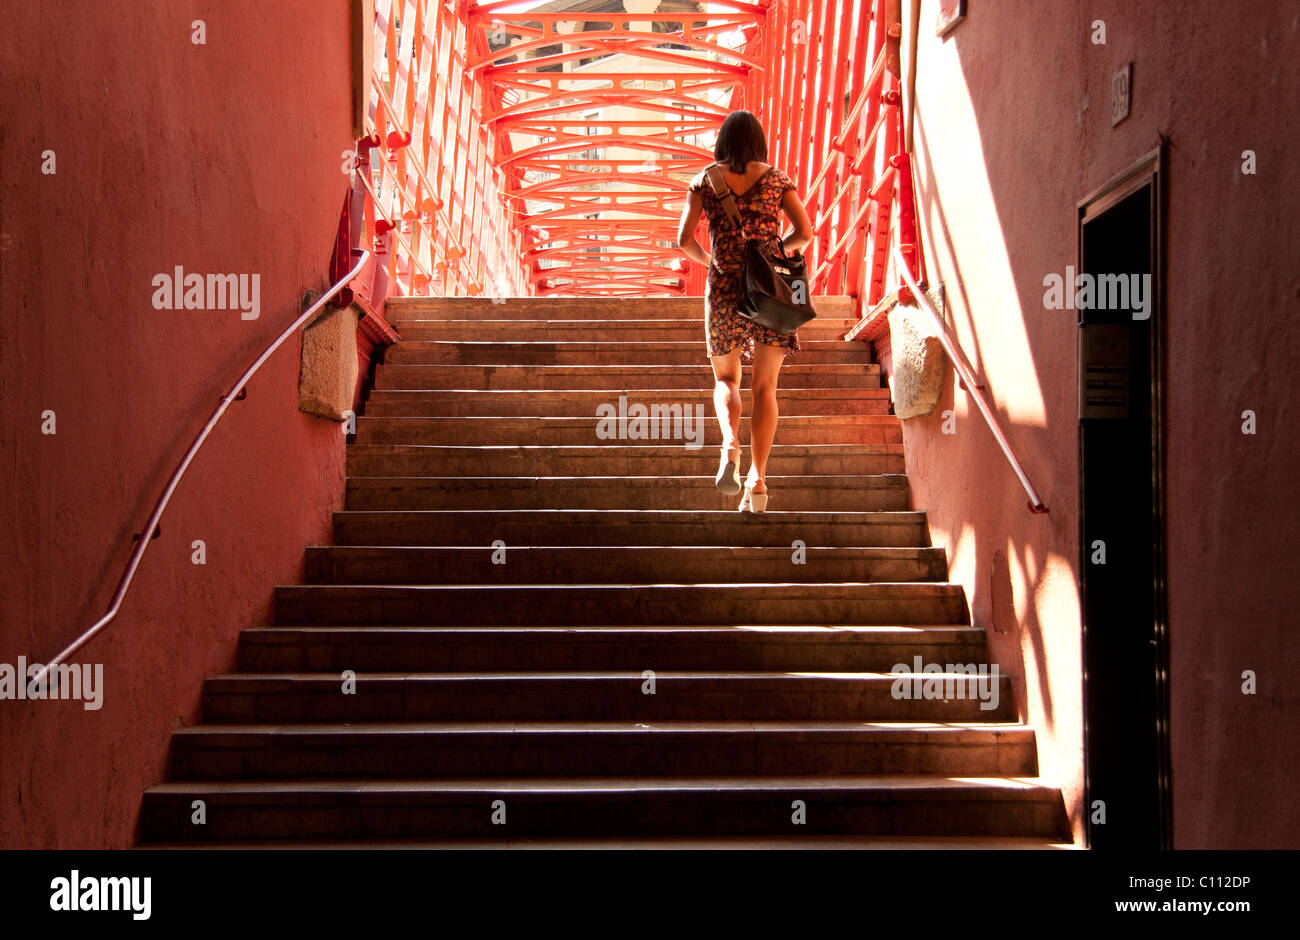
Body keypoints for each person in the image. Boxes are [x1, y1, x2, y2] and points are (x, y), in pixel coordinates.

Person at [676, 110, 814, 513]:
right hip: (769, 289)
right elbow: (805, 232)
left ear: (722, 141)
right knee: (765, 388)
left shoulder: (705, 180)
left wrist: (713, 262)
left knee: (726, 379)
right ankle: (758, 482)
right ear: (757, 141)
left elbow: (683, 240)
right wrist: (773, 252)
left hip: (723, 287)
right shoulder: (776, 179)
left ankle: (729, 444)